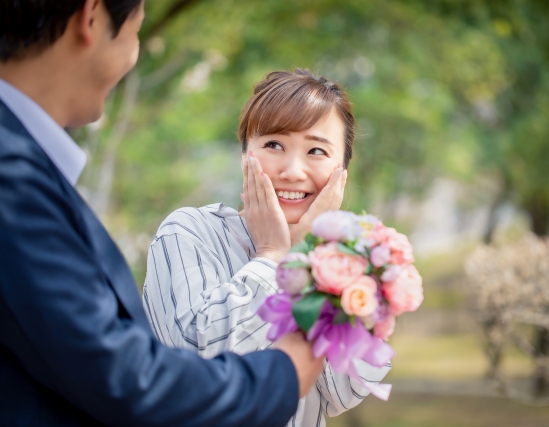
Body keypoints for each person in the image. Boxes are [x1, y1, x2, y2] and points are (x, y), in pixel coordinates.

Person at [0, 2, 325, 426]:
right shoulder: (13, 176)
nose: (135, 53)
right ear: (92, 17)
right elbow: (122, 373)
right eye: (137, 31)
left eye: (317, 149)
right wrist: (282, 373)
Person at [143, 69, 391, 427]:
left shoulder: (343, 260)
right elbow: (198, 354)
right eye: (274, 144)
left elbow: (342, 393)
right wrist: (276, 256)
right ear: (246, 154)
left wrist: (315, 255)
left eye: (316, 150)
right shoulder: (189, 231)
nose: (292, 171)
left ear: (342, 172)